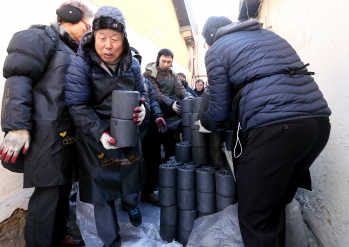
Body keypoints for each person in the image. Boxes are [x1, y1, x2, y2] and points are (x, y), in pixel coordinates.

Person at [197, 16, 331, 247]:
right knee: (274, 203)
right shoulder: (270, 35)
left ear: (210, 38)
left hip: (276, 130)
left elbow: (218, 111)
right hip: (317, 125)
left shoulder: (216, 50)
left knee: (255, 217)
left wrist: (205, 123)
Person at [0, 0, 93, 246]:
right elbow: (18, 79)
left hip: (64, 134)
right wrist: (16, 127)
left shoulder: (69, 48)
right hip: (44, 133)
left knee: (61, 191)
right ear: (70, 17)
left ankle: (58, 236)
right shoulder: (38, 39)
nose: (88, 30)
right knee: (47, 195)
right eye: (86, 24)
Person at [64, 6, 147, 247]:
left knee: (130, 176)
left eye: (114, 38)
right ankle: (111, 242)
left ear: (124, 40)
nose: (107, 45)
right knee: (102, 192)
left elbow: (143, 94)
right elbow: (77, 105)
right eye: (102, 38)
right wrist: (99, 131)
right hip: (95, 135)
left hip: (128, 131)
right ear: (94, 36)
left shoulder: (132, 64)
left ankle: (131, 206)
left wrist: (143, 108)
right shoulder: (82, 64)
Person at [143, 49, 194, 162]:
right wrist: (170, 103)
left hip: (170, 114)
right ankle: (155, 175)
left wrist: (187, 95)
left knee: (170, 145)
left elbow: (179, 89)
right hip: (156, 113)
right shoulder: (149, 74)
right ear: (158, 59)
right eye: (163, 61)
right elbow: (157, 94)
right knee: (154, 147)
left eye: (169, 62)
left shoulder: (173, 74)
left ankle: (170, 170)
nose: (166, 64)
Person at [131, 47, 167, 206]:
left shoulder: (145, 82)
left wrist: (158, 115)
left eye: (137, 60)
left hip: (148, 127)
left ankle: (148, 192)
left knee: (151, 160)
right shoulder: (120, 80)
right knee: (130, 163)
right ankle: (129, 198)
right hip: (130, 127)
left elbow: (153, 101)